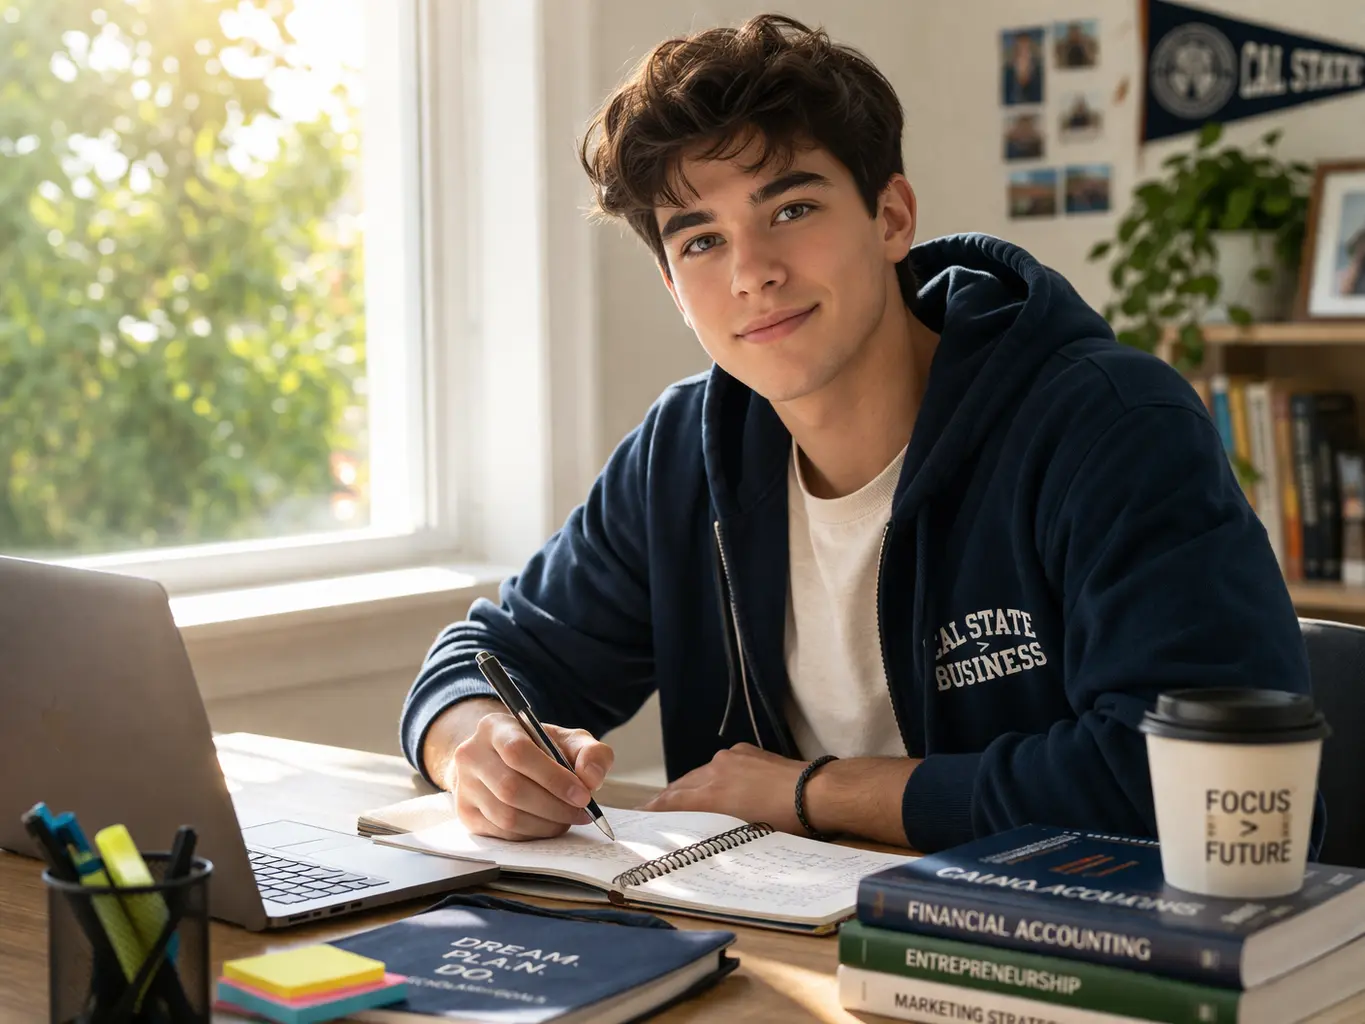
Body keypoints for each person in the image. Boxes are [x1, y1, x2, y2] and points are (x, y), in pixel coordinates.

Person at [400, 14, 1313, 854]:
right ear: (674, 290)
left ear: (890, 217)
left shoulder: (1108, 426)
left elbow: (1191, 778)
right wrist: (477, 748)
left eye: (790, 210)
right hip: (781, 957)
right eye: (700, 241)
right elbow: (485, 662)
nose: (752, 272)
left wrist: (810, 793)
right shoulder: (681, 451)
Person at [1001, 30, 1043, 106]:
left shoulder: (1039, 72)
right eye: (1020, 50)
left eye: (1026, 49)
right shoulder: (1007, 74)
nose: (1024, 54)